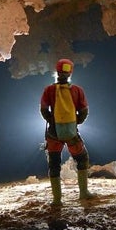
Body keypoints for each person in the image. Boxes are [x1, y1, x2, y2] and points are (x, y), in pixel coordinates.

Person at [40, 58, 95, 205]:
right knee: (82, 158)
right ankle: (83, 193)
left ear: (56, 72)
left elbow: (43, 109)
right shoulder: (77, 90)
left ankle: (57, 200)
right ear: (70, 72)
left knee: (54, 164)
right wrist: (75, 122)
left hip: (53, 134)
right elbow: (84, 111)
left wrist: (53, 122)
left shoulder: (48, 90)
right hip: (71, 133)